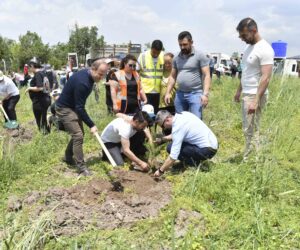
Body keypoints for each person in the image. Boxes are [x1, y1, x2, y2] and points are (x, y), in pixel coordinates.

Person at [55, 59, 108, 176]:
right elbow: (80, 107)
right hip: (65, 108)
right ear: (93, 69)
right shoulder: (83, 83)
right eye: (100, 74)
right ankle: (81, 168)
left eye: (104, 75)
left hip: (72, 106)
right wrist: (91, 124)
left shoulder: (88, 76)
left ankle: (68, 157)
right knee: (78, 135)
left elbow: (78, 106)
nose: (101, 77)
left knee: (78, 134)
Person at [234, 17, 274, 158]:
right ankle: (250, 157)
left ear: (254, 30)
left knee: (252, 129)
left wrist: (256, 100)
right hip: (247, 93)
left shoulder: (265, 49)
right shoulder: (249, 48)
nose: (242, 38)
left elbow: (266, 77)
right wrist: (239, 90)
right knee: (248, 128)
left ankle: (251, 161)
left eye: (244, 35)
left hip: (255, 95)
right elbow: (245, 71)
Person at [153, 110, 218, 177]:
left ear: (167, 120)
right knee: (173, 145)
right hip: (213, 144)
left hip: (207, 150)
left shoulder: (177, 127)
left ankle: (194, 164)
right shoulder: (183, 114)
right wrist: (162, 140)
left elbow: (173, 157)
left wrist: (160, 171)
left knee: (170, 148)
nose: (165, 128)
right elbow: (177, 134)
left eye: (163, 126)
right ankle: (194, 161)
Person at [165, 31, 211, 120]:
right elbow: (172, 76)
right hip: (180, 94)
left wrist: (205, 94)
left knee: (196, 121)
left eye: (185, 44)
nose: (182, 47)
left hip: (195, 94)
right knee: (180, 121)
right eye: (180, 45)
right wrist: (168, 92)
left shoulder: (200, 55)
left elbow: (207, 75)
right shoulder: (176, 57)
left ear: (191, 42)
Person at [25, 57, 51, 134]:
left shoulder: (38, 74)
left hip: (40, 101)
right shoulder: (43, 72)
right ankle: (47, 133)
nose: (29, 69)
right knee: (44, 119)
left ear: (32, 65)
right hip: (45, 99)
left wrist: (29, 88)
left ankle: (44, 136)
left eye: (29, 67)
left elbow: (39, 88)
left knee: (40, 120)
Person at [137, 40, 164, 114]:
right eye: (154, 52)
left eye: (158, 53)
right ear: (151, 48)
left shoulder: (163, 56)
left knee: (156, 113)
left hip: (158, 91)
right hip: (145, 91)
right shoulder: (142, 56)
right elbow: (136, 73)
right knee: (145, 113)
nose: (156, 55)